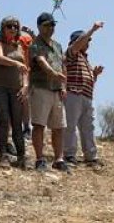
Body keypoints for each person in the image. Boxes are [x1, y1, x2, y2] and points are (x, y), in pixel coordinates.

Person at [29, 12, 68, 172]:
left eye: (52, 25)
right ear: (39, 26)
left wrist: (64, 85)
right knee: (39, 125)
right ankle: (40, 158)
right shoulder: (35, 44)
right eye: (46, 25)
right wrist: (53, 73)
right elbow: (41, 61)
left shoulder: (57, 45)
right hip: (41, 87)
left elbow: (62, 65)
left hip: (56, 90)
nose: (50, 28)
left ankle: (59, 159)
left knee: (58, 126)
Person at [63, 22, 105, 167]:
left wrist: (94, 74)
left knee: (88, 127)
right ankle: (69, 154)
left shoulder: (85, 59)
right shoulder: (71, 53)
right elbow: (77, 45)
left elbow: (89, 81)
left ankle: (91, 156)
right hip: (73, 93)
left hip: (86, 97)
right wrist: (92, 30)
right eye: (85, 40)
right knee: (70, 125)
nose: (88, 43)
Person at [0, 16, 29, 168]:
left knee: (17, 123)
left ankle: (21, 156)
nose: (12, 29)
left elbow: (25, 69)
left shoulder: (19, 47)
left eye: (15, 26)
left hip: (16, 88)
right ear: (3, 28)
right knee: (3, 120)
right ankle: (3, 155)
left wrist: (25, 86)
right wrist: (16, 63)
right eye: (9, 26)